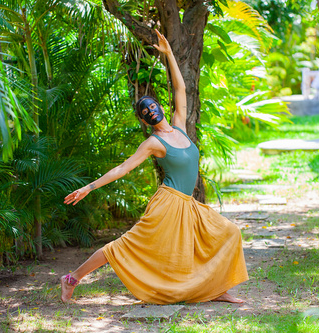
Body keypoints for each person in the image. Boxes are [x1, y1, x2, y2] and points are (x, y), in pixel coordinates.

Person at [61, 29, 248, 305]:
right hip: (169, 204)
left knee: (229, 232)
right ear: (145, 121)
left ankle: (215, 288)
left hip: (189, 204)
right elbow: (123, 168)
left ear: (159, 106)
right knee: (127, 245)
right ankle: (71, 279)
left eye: (151, 105)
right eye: (144, 112)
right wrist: (89, 187)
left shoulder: (180, 126)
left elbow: (181, 89)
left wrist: (169, 53)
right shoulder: (154, 143)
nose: (150, 110)